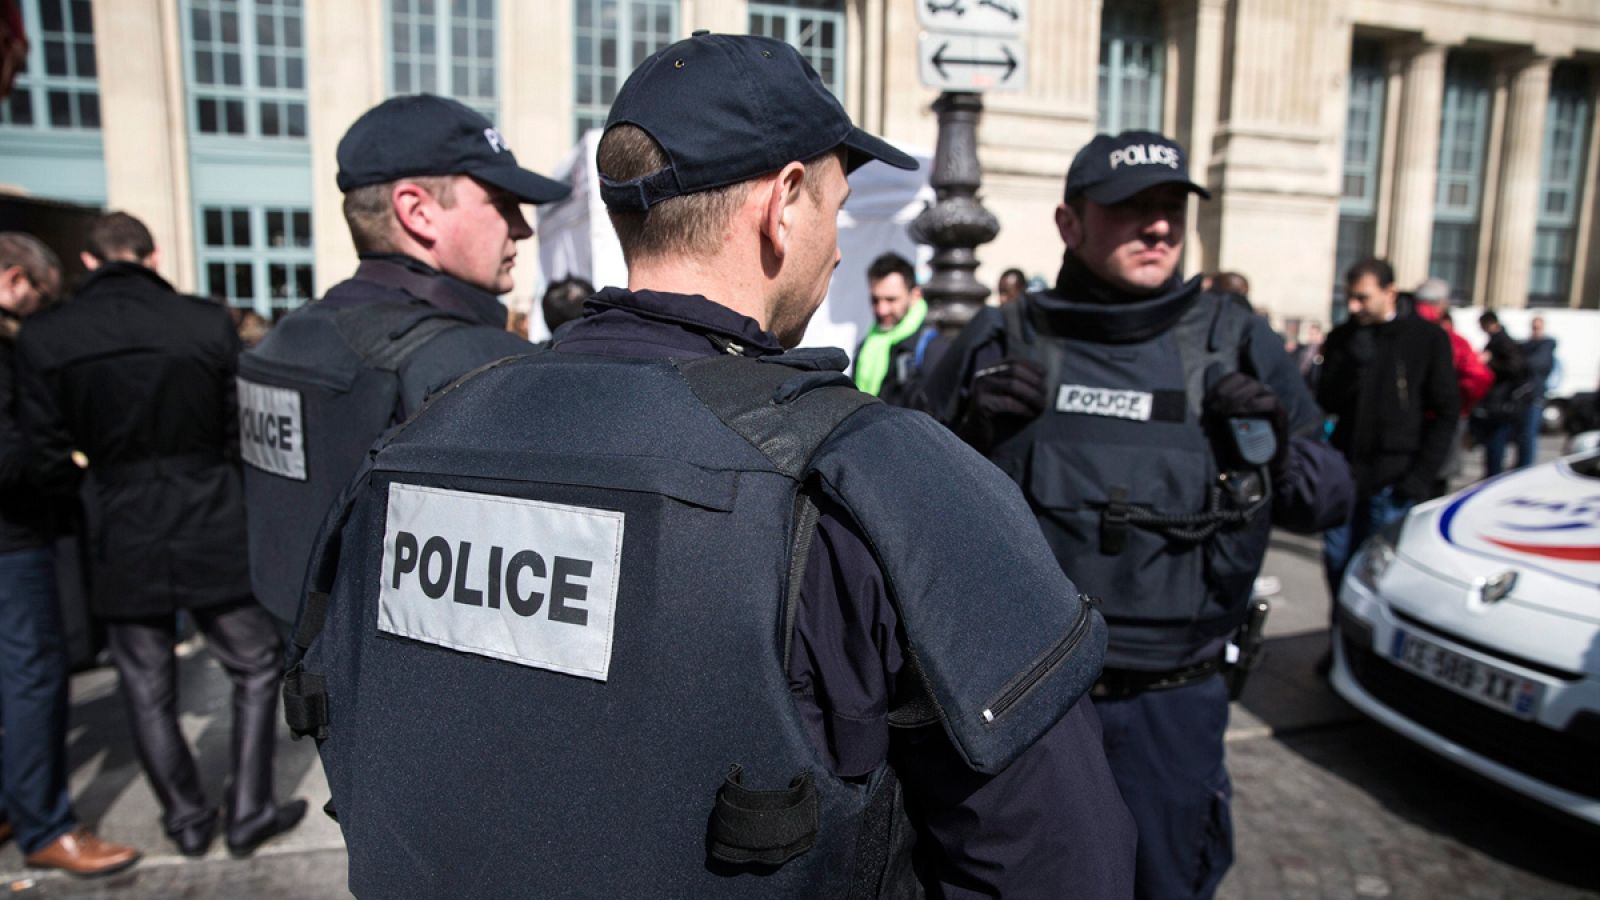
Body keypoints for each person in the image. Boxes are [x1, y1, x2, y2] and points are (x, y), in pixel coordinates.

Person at [285, 33, 1135, 899]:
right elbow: (1058, 860)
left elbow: (344, 719)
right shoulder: (879, 475)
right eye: (837, 208)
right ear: (786, 202)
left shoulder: (425, 435)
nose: (838, 249)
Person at [917, 130, 1351, 900]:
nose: (1158, 226)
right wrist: (963, 435)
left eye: (1171, 208)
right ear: (1069, 224)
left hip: (1170, 707)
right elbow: (897, 498)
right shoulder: (1001, 336)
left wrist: (1274, 447)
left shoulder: (1237, 340)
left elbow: (1327, 500)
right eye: (1130, 209)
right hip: (1030, 706)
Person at [14, 213, 303, 858]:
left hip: (119, 517)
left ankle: (187, 818)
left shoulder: (48, 335)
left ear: (89, 262)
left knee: (145, 682)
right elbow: (243, 431)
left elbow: (43, 456)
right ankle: (250, 808)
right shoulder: (203, 320)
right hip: (209, 509)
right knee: (255, 664)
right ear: (153, 255)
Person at [236, 94, 567, 632]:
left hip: (310, 672)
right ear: (417, 211)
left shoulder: (286, 339)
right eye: (502, 203)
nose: (522, 228)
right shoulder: (480, 363)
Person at [0, 233, 140, 877]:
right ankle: (45, 825)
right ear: (13, 279)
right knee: (33, 677)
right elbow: (17, 455)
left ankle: (18, 801)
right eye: (40, 290)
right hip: (16, 537)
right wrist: (63, 466)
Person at [1318, 259, 1459, 594]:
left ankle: (1365, 643)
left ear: (1389, 292)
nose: (1354, 306)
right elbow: (1326, 400)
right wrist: (1350, 364)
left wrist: (1419, 477)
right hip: (1346, 474)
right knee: (1337, 559)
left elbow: (1446, 411)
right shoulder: (1344, 336)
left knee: (1375, 574)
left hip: (1394, 478)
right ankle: (1340, 636)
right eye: (1349, 298)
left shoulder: (1427, 339)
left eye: (1363, 298)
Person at [1413, 278, 1490, 495]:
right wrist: (1461, 401)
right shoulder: (1451, 340)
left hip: (1404, 423)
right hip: (1440, 420)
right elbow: (1479, 377)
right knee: (1436, 480)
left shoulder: (1400, 329)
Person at [852, 252, 938, 405]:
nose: (881, 309)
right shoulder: (868, 342)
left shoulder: (931, 344)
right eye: (875, 300)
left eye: (891, 300)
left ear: (915, 295)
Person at [1471, 310, 1528, 477]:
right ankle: (1492, 472)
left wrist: (1490, 362)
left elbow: (1514, 368)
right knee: (1492, 441)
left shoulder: (1503, 342)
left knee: (1496, 440)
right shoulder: (1498, 340)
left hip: (1501, 400)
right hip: (1496, 398)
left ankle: (1493, 474)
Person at [1517, 315, 1557, 468]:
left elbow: (1535, 364)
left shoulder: (1545, 346)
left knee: (1528, 434)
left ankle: (1525, 467)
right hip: (1522, 396)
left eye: (1537, 327)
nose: (1535, 330)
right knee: (1521, 435)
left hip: (1534, 395)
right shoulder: (1527, 345)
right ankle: (1521, 466)